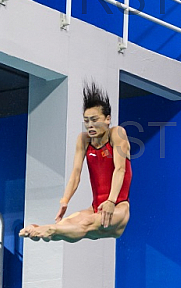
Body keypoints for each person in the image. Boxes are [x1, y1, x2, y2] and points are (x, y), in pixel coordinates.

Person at [20, 82, 131, 243]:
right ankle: (45, 230)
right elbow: (76, 174)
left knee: (85, 223)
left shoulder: (117, 133)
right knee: (69, 222)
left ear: (108, 119)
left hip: (119, 208)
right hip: (96, 207)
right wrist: (65, 201)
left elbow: (120, 169)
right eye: (86, 121)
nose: (90, 125)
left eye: (94, 120)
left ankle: (50, 230)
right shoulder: (84, 139)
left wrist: (111, 201)